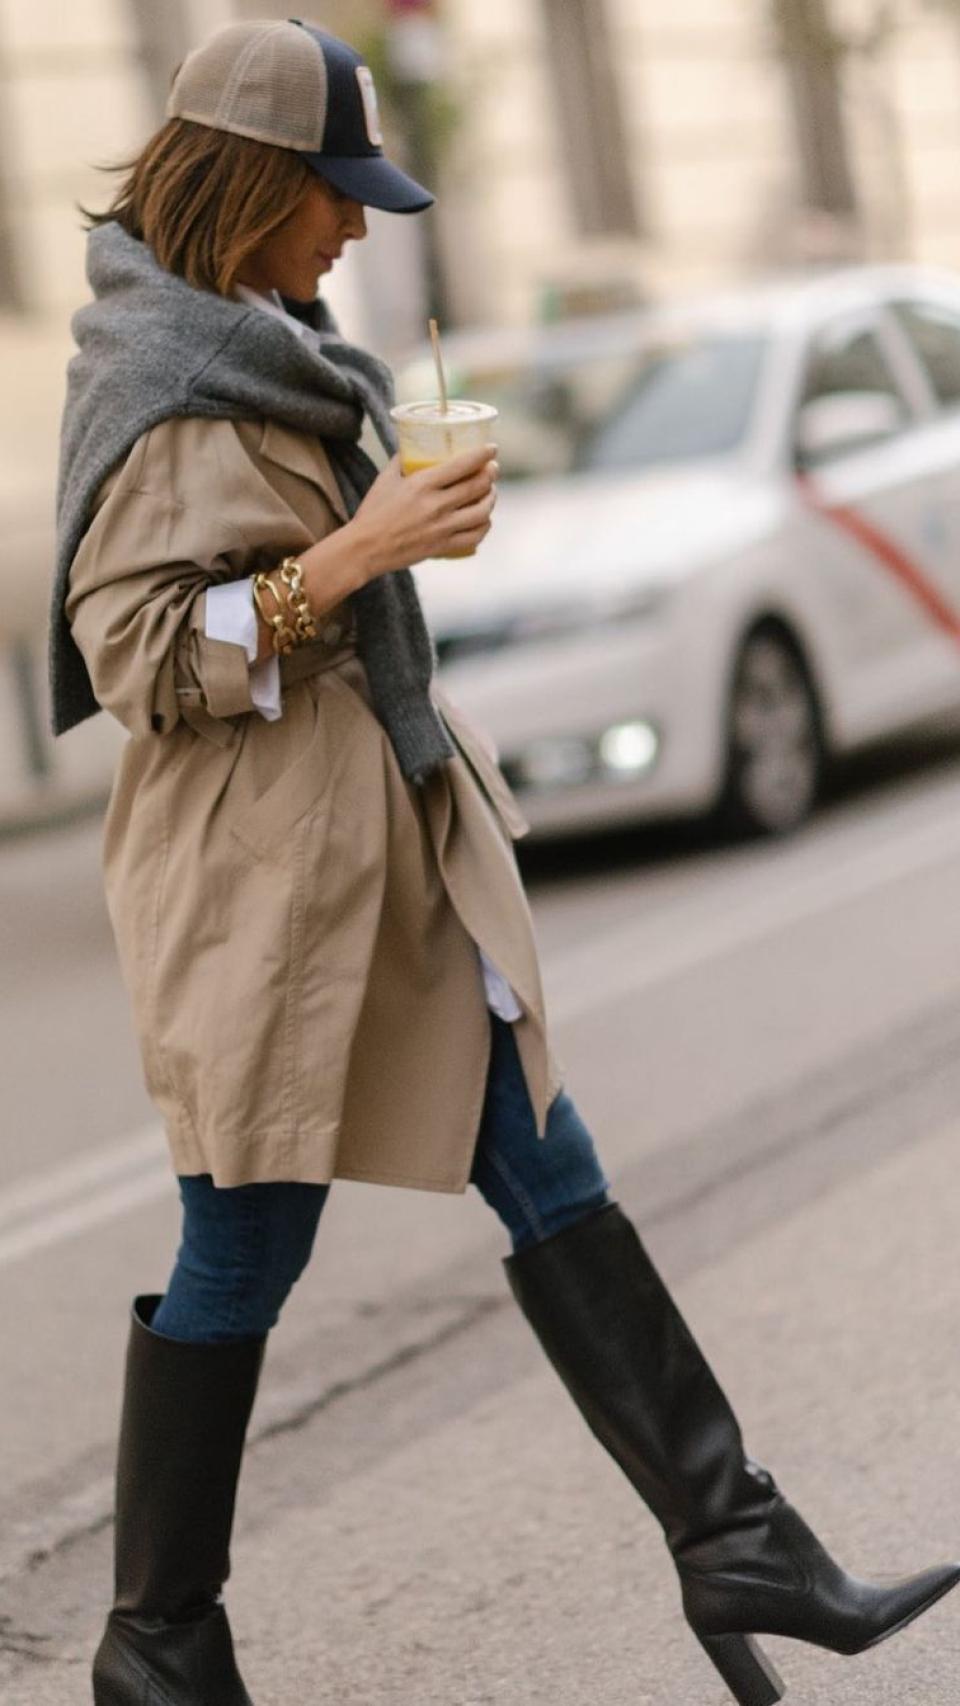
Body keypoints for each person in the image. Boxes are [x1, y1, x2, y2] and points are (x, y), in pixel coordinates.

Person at [49, 20, 958, 1706]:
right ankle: (156, 1640)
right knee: (241, 1246)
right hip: (265, 895)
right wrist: (360, 554)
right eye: (335, 197)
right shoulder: (159, 379)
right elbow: (141, 662)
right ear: (254, 185)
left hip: (390, 853)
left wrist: (387, 538)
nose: (357, 233)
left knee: (549, 1160)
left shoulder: (275, 339)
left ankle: (734, 1533)